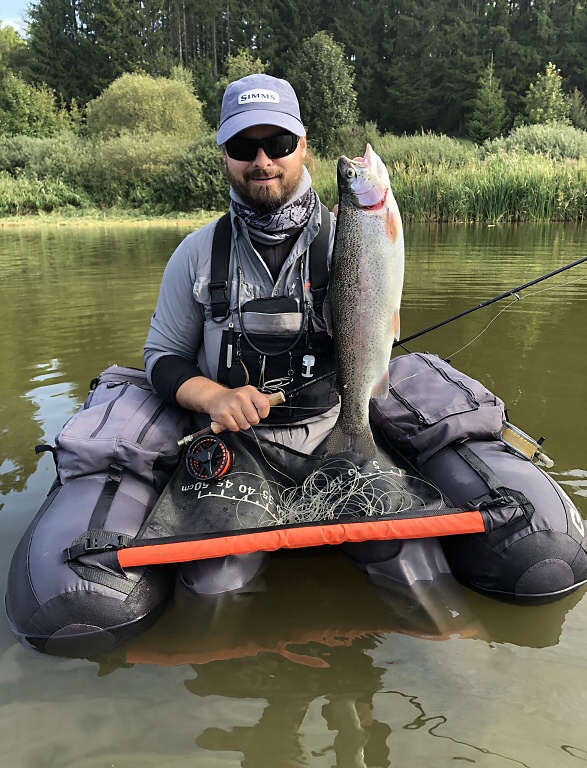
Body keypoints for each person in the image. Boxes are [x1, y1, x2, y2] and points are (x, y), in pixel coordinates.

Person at [143, 73, 465, 606]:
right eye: (244, 146)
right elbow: (161, 358)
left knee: (415, 564)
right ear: (224, 154)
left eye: (278, 144)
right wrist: (215, 397)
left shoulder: (353, 233)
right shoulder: (196, 254)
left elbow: (384, 305)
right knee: (213, 585)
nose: (262, 160)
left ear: (303, 146)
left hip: (335, 427)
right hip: (234, 447)